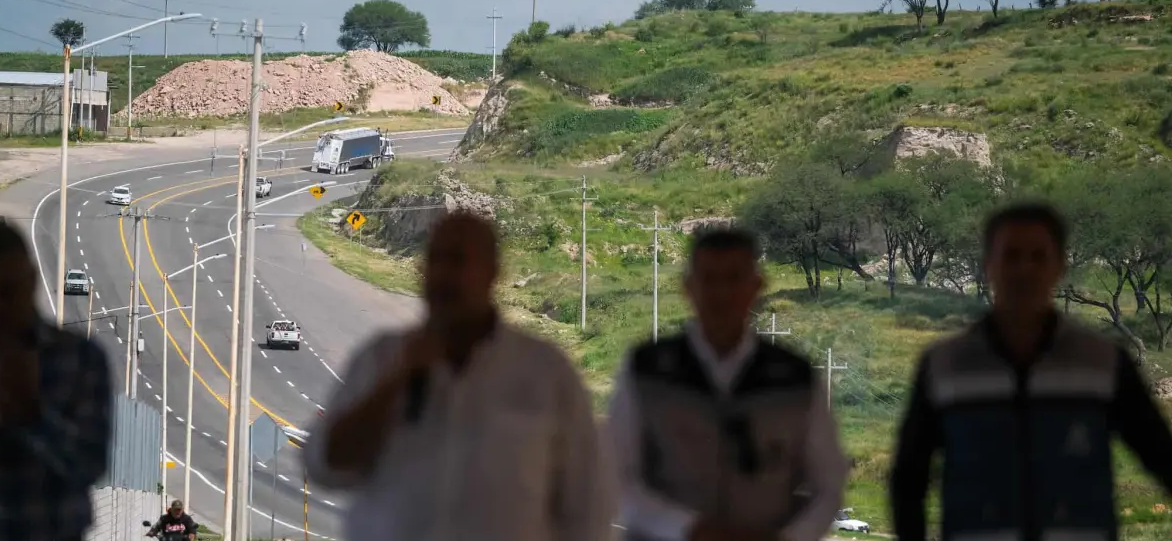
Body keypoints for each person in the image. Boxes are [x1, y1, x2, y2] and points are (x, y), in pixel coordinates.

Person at [303, 211, 615, 541]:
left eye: (458, 260)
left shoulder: (545, 373)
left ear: (493, 272)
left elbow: (588, 505)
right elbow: (324, 465)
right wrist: (394, 383)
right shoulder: (380, 359)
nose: (443, 274)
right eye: (434, 259)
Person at [889, 203, 1172, 541]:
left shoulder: (1103, 363)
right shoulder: (945, 365)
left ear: (1059, 266)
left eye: (1038, 256)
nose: (1024, 269)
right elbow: (909, 480)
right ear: (988, 265)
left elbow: (1161, 457)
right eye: (1011, 255)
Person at [608, 227, 848, 541]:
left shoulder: (795, 379)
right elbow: (615, 478)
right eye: (709, 280)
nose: (721, 294)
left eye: (733, 279)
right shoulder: (647, 370)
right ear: (688, 287)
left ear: (757, 286)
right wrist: (689, 529)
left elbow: (828, 485)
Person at [0, 218, 113, 541]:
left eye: (8, 292)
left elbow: (90, 465)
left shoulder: (79, 359)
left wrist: (33, 415)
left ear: (31, 281)